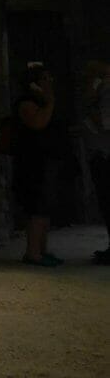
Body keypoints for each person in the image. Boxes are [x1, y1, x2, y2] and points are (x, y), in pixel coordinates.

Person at [14, 63, 62, 266]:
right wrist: (50, 101)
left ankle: (42, 250)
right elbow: (38, 123)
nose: (50, 82)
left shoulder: (40, 101)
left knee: (45, 209)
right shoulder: (27, 103)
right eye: (45, 78)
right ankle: (33, 253)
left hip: (46, 160)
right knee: (37, 209)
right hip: (33, 163)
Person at [80, 61, 110, 265]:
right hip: (102, 153)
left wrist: (90, 106)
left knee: (108, 201)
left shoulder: (106, 90)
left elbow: (104, 123)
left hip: (105, 154)